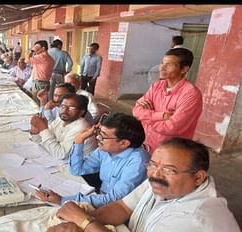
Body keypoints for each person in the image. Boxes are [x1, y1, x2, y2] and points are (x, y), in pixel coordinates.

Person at [47, 137, 240, 232]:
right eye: (153, 164)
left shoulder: (195, 218)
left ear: (198, 177)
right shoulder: (160, 181)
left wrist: (84, 221)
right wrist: (79, 223)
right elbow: (123, 206)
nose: (155, 174)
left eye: (169, 170)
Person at [36, 113, 149, 208]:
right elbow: (77, 170)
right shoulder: (105, 150)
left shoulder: (137, 162)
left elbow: (114, 199)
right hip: (101, 198)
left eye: (103, 136)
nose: (97, 137)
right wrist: (79, 140)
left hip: (120, 209)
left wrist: (63, 200)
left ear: (124, 143)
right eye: (98, 132)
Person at [132, 48, 203, 154]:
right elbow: (136, 111)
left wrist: (146, 118)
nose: (162, 68)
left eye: (169, 65)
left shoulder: (191, 94)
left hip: (169, 152)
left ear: (184, 69)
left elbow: (172, 128)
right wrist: (162, 116)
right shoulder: (157, 86)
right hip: (146, 145)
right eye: (162, 63)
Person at [30, 93, 97, 160]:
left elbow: (60, 155)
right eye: (62, 106)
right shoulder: (60, 120)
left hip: (80, 166)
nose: (64, 110)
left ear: (81, 112)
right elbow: (44, 142)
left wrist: (43, 129)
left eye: (71, 108)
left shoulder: (81, 127)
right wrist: (35, 131)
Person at [25, 40, 54, 105]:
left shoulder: (42, 57)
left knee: (37, 102)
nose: (35, 49)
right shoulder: (49, 58)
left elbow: (26, 60)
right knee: (42, 102)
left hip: (39, 83)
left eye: (37, 47)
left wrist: (31, 51)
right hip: (44, 82)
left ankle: (40, 114)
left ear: (43, 48)